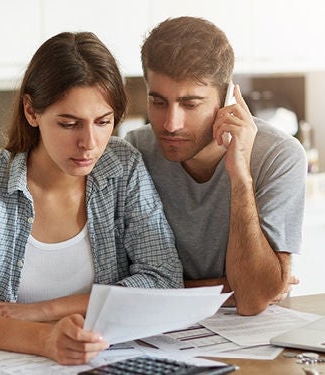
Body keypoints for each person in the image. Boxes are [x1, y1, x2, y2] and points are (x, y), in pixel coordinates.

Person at [0, 31, 183, 365]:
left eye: (103, 122)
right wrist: (46, 339)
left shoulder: (123, 165)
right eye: (69, 124)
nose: (89, 143)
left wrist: (44, 311)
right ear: (32, 111)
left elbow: (162, 280)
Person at [125, 17, 306, 316]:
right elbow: (119, 287)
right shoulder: (134, 152)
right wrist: (229, 289)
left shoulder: (279, 155)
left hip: (251, 334)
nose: (171, 124)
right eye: (158, 102)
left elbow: (252, 300)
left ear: (226, 99)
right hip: (156, 325)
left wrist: (240, 177)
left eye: (190, 104)